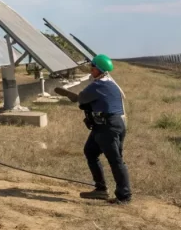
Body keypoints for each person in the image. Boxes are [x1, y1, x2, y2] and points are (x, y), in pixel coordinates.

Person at [55, 54, 131, 204]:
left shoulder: (99, 85)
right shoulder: (110, 84)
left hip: (108, 126)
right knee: (90, 151)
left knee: (116, 160)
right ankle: (101, 189)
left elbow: (82, 98)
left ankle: (124, 196)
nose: (91, 69)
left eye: (93, 67)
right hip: (109, 124)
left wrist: (76, 97)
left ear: (99, 69)